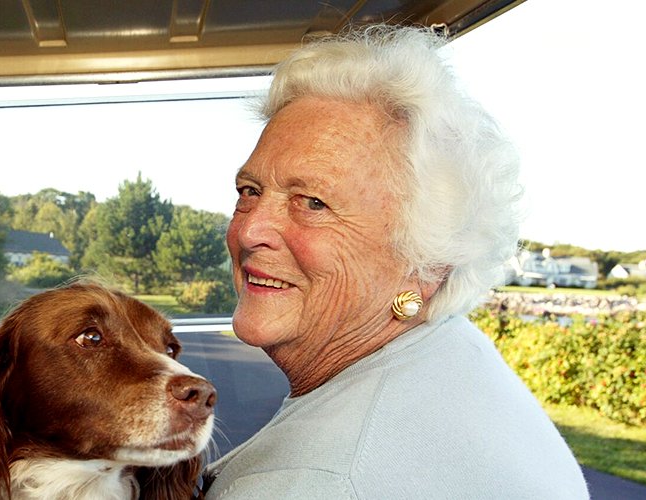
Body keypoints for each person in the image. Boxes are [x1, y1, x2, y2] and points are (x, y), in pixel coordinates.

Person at [204, 26, 590, 498]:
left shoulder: (314, 482)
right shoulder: (456, 356)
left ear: (425, 262)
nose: (248, 231)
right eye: (249, 192)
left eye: (312, 203)